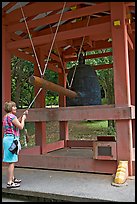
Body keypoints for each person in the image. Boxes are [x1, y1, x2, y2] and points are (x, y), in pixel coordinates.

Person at [2, 101, 28, 188]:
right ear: (10, 108)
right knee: (11, 162)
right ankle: (10, 182)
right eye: (14, 107)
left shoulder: (6, 117)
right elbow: (20, 126)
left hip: (7, 139)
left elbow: (16, 121)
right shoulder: (12, 116)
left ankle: (12, 178)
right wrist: (23, 119)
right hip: (11, 140)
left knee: (11, 160)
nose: (15, 108)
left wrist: (23, 115)